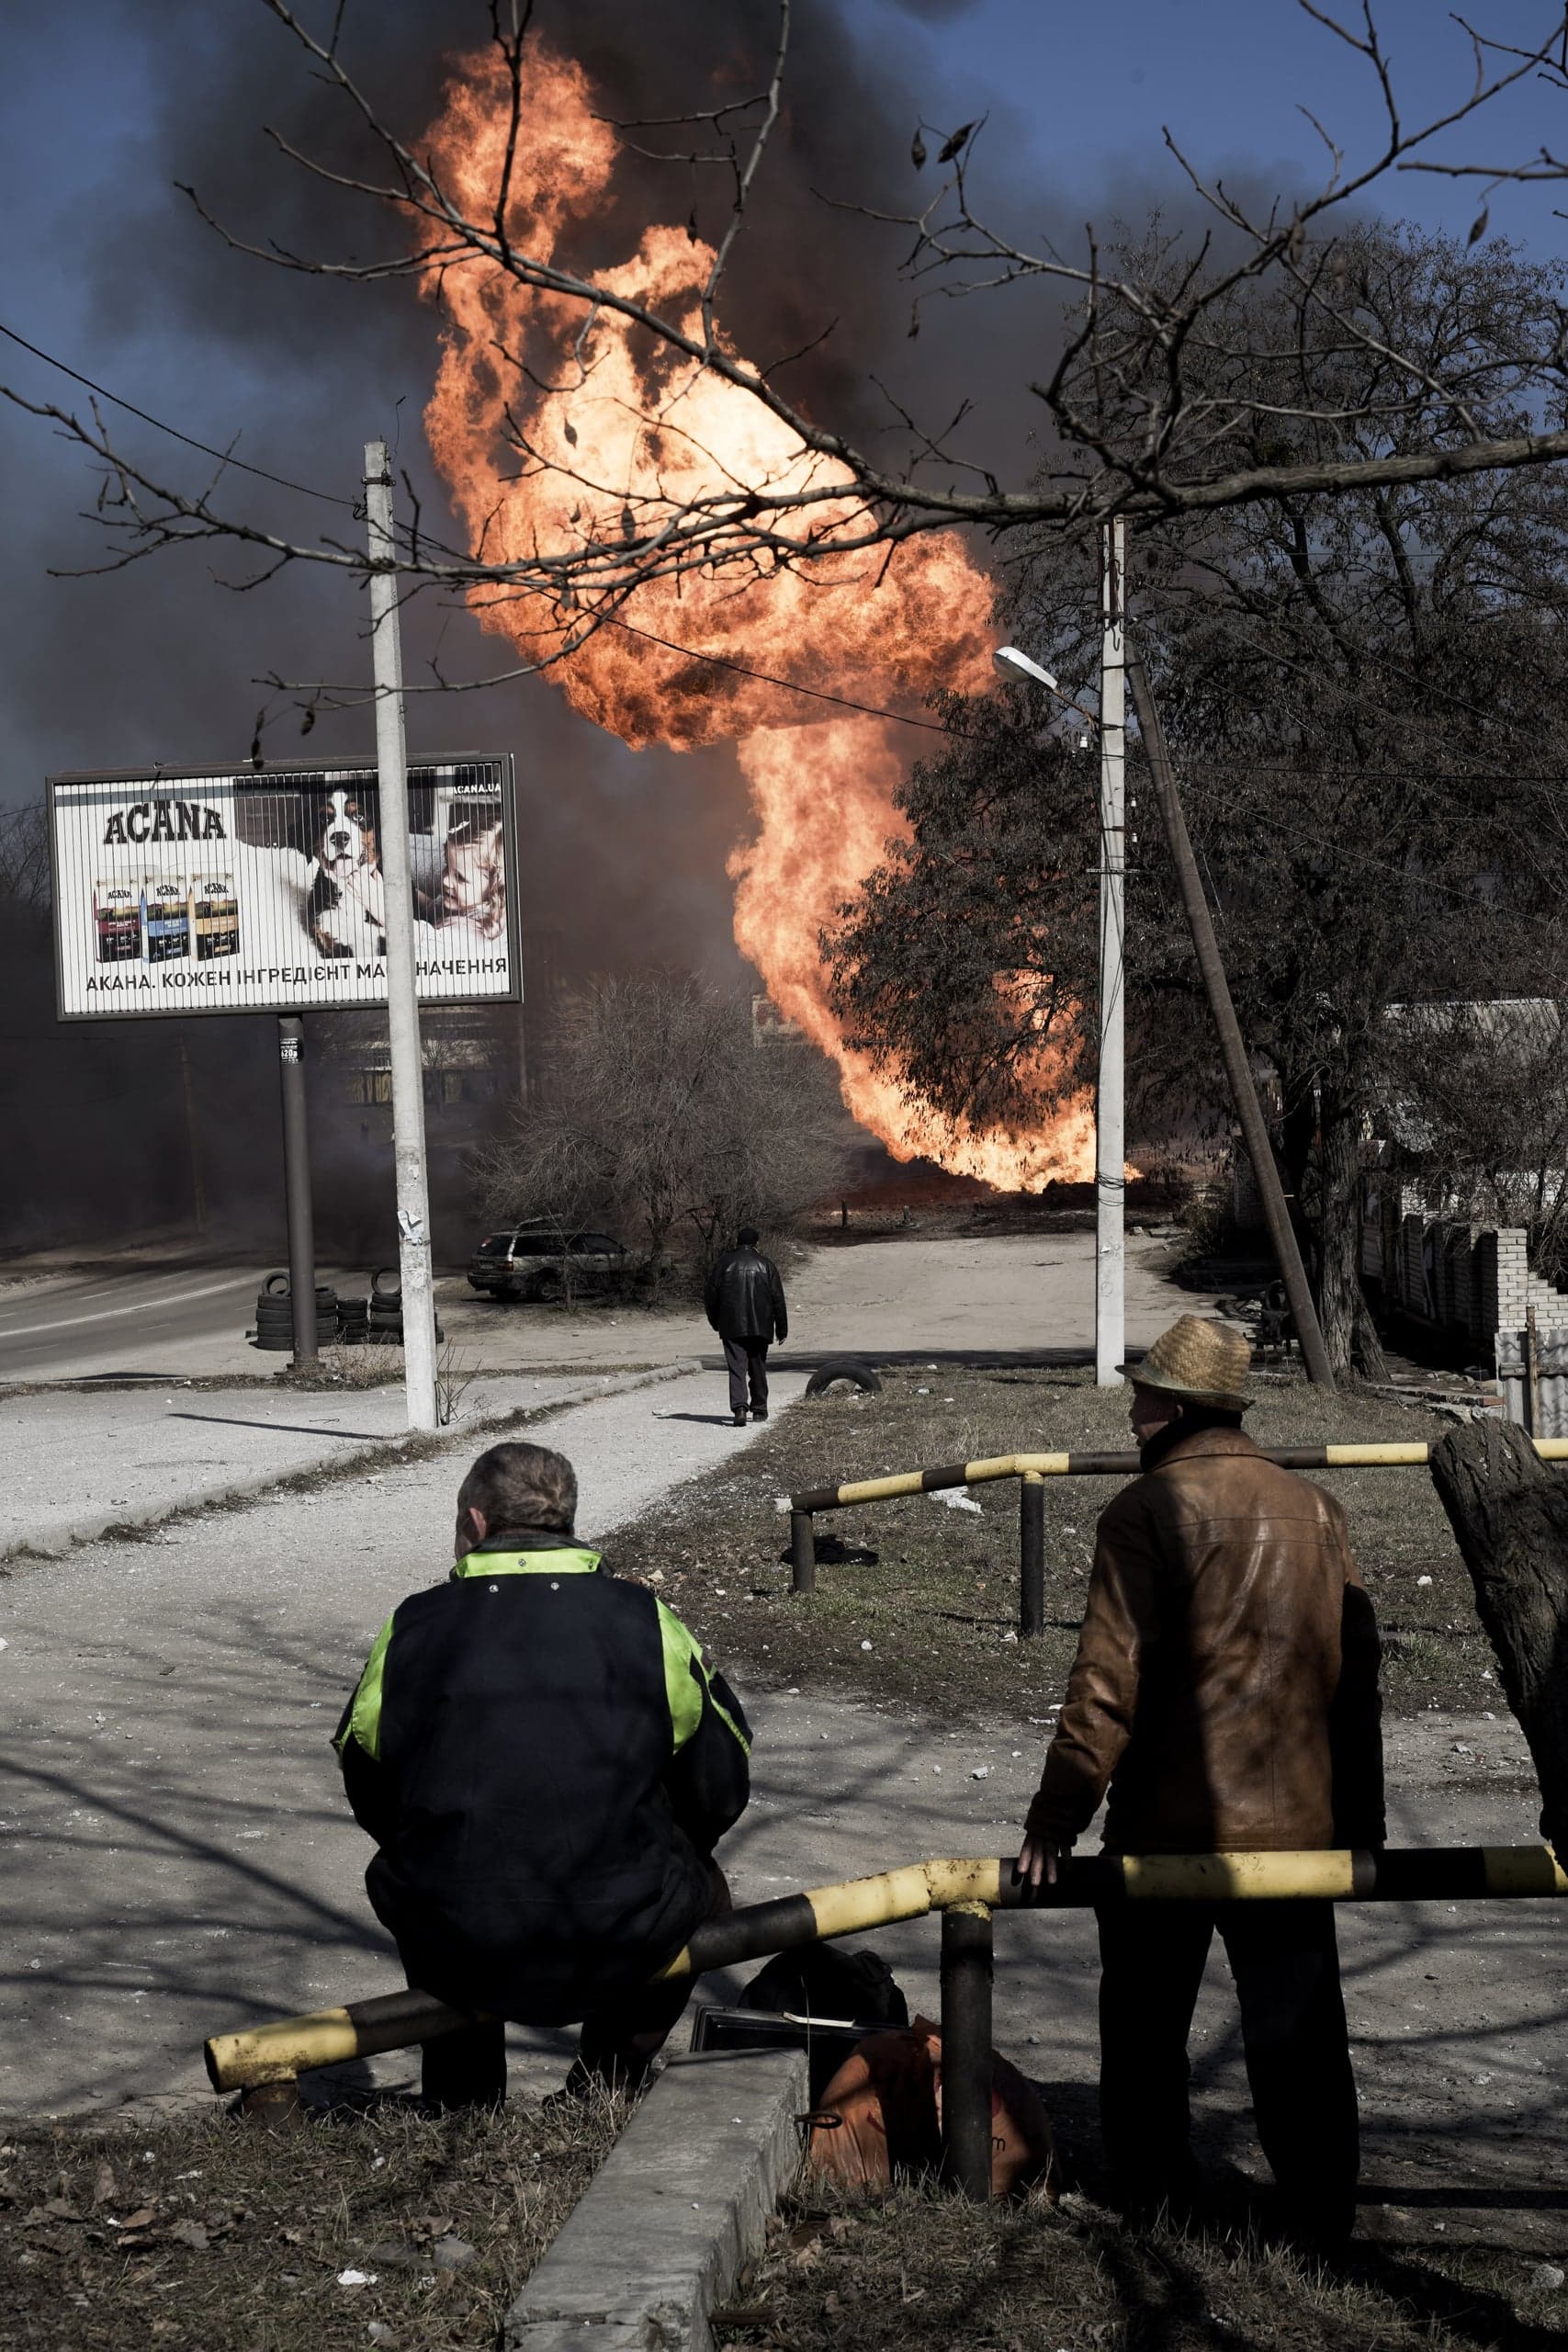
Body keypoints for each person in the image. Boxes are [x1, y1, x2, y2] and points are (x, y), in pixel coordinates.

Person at [1015, 1315, 1383, 2251]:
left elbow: (1106, 1683)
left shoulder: (1143, 1515)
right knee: (1299, 2035)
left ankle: (1159, 2200)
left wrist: (1056, 1818)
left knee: (1144, 2029)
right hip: (1298, 1836)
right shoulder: (1317, 1511)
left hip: (1167, 1829)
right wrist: (1361, 1828)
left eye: (1142, 1399)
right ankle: (1320, 2213)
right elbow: (1358, 1682)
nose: (1132, 1416)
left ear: (1174, 1408)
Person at [334, 1439, 750, 2109]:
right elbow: (721, 1783)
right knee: (706, 1886)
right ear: (568, 1519)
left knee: (430, 1871)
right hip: (622, 1928)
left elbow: (367, 1775)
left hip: (456, 1933)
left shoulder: (412, 1625)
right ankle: (607, 2080)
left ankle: (463, 2099)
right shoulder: (645, 1621)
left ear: (475, 1522)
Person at [705, 1225, 788, 1427]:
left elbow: (711, 1296)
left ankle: (740, 1408)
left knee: (737, 1368)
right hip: (761, 1326)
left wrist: (715, 1321)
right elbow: (778, 1298)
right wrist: (782, 1329)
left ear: (737, 1243)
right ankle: (759, 1409)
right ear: (756, 1244)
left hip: (732, 1326)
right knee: (758, 1368)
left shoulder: (724, 1264)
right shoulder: (766, 1265)